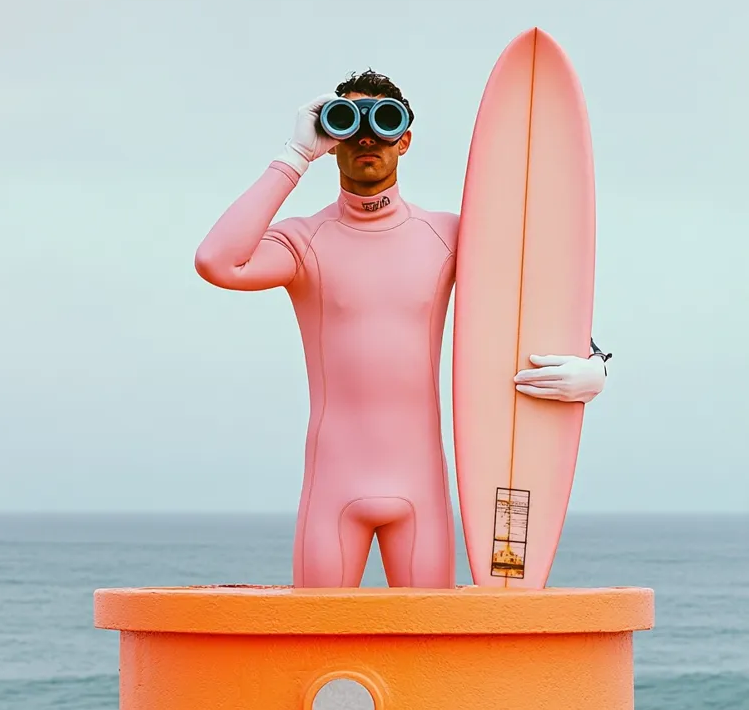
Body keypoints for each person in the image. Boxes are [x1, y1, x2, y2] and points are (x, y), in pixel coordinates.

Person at [195, 71, 610, 589]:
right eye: (348, 124)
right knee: (318, 660)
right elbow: (217, 261)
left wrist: (594, 364)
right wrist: (294, 155)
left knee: (432, 664)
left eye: (384, 122)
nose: (367, 137)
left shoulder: (450, 235)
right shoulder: (304, 243)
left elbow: (534, 294)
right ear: (330, 139)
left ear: (405, 138)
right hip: (332, 491)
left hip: (422, 494)